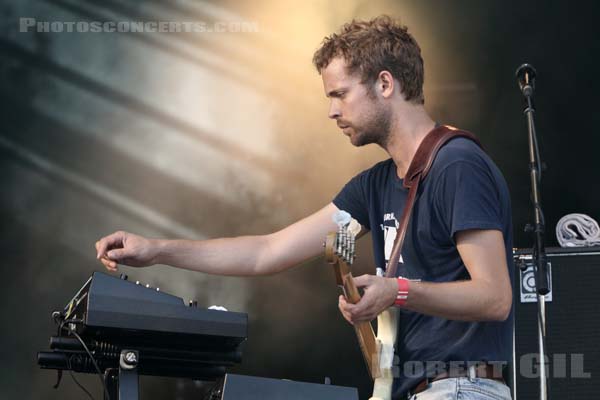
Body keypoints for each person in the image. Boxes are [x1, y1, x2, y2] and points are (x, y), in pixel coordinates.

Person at [95, 16, 513, 400]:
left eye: (340, 94)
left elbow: (495, 297)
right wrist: (156, 250)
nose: (331, 110)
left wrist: (397, 291)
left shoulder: (457, 164)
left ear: (385, 84)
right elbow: (268, 251)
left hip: (462, 389)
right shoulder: (374, 185)